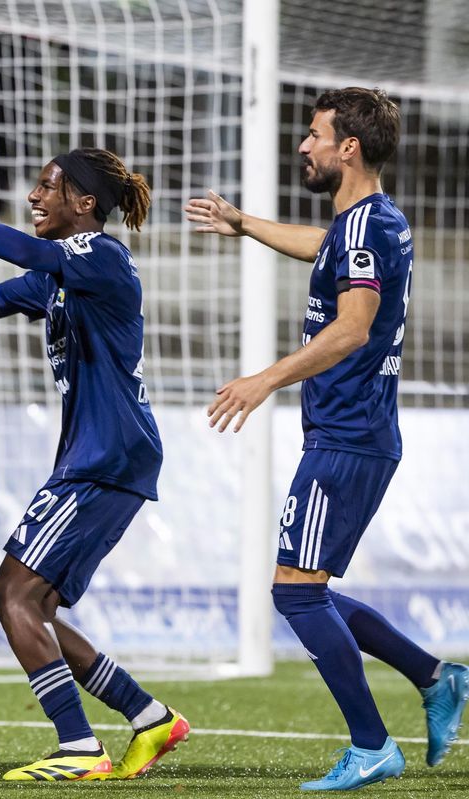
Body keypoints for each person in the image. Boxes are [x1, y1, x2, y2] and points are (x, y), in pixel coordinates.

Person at [185, 86, 469, 791]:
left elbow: (353, 326)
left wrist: (264, 380)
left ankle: (373, 743)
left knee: (297, 593)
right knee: (303, 587)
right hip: (353, 432)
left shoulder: (368, 226)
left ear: (349, 146)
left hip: (348, 435)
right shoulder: (368, 222)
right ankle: (435, 677)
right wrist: (243, 222)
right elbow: (324, 247)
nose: (303, 146)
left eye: (314, 135)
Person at [0, 142, 188, 782]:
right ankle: (147, 716)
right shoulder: (64, 272)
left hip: (106, 456)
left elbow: (24, 252)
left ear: (84, 203)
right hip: (105, 455)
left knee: (11, 594)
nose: (34, 197)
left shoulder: (100, 256)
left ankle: (79, 748)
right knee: (32, 603)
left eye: (48, 188)